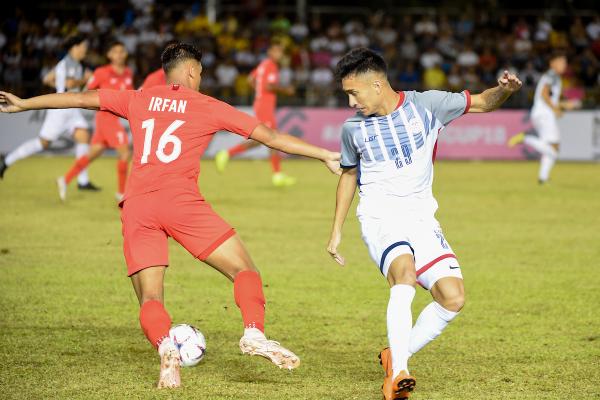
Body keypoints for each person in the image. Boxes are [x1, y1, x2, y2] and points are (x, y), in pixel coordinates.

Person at [0, 43, 340, 389]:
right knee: (244, 270)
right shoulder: (207, 105)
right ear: (193, 71)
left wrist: (25, 103)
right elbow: (271, 137)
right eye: (202, 73)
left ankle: (166, 347)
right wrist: (324, 154)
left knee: (150, 298)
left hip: (138, 205)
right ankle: (253, 332)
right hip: (181, 202)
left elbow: (80, 98)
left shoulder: (138, 98)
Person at [326, 48, 521, 400]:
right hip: (380, 216)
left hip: (420, 216)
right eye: (347, 95)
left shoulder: (427, 105)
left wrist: (504, 90)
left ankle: (395, 354)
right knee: (404, 275)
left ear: (377, 84)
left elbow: (482, 103)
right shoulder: (352, 129)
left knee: (453, 297)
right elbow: (348, 175)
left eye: (354, 93)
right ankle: (398, 374)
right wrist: (337, 229)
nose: (351, 102)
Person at [0, 35, 99, 191]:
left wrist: (58, 85)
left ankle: (83, 181)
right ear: (75, 47)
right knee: (43, 143)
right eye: (83, 48)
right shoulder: (68, 64)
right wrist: (85, 79)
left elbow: (47, 79)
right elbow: (70, 84)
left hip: (71, 107)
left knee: (83, 136)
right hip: (61, 110)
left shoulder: (71, 64)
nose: (85, 51)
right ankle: (7, 161)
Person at [57, 41, 134, 201]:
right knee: (125, 152)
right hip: (106, 118)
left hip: (114, 119)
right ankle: (121, 194)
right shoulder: (101, 72)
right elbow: (86, 92)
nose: (119, 54)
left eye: (122, 51)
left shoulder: (128, 72)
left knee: (93, 154)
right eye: (116, 51)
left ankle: (65, 179)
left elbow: (128, 96)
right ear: (109, 55)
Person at [215, 40, 297, 187]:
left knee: (265, 139)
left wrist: (258, 92)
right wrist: (286, 91)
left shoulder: (262, 65)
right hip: (265, 105)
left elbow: (250, 79)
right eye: (277, 51)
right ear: (270, 52)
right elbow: (268, 85)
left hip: (260, 104)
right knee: (272, 138)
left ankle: (228, 154)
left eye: (281, 52)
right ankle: (276, 175)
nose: (279, 54)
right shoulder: (271, 65)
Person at [507, 52, 581, 184]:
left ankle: (543, 178)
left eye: (565, 63)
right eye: (561, 62)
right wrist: (555, 109)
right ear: (552, 63)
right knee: (554, 149)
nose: (564, 65)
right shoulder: (551, 75)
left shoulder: (555, 77)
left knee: (552, 147)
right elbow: (544, 94)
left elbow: (550, 98)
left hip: (542, 113)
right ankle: (525, 138)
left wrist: (566, 105)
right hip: (544, 114)